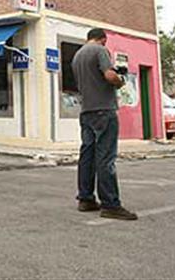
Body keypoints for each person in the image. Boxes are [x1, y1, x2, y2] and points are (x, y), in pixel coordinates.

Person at [71, 28, 138, 221]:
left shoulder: (77, 55)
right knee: (105, 157)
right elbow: (109, 76)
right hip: (103, 110)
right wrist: (120, 81)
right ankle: (110, 204)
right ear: (103, 39)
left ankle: (85, 198)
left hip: (86, 111)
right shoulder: (100, 50)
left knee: (87, 156)